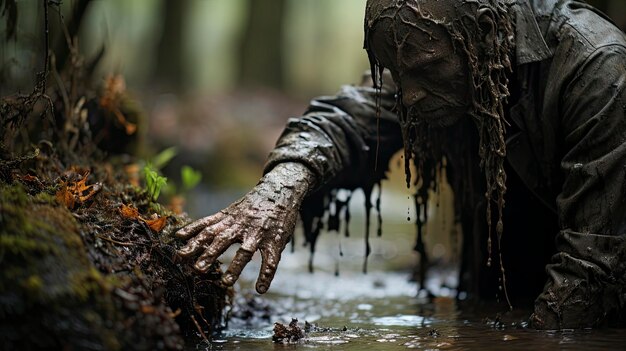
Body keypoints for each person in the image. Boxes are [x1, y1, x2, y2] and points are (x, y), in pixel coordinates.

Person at [176, 0, 626, 329]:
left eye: (426, 71)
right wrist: (281, 187)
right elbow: (346, 119)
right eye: (397, 72)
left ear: (486, 35)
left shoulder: (599, 71)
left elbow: (593, 269)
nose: (409, 97)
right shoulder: (437, 60)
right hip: (504, 293)